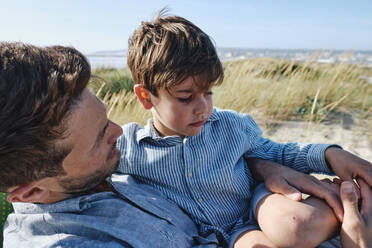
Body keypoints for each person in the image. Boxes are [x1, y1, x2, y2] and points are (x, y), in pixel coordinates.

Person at [0, 42, 348, 248]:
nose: (120, 133)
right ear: (29, 192)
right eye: (98, 139)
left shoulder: (102, 168)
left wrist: (260, 163)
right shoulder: (69, 241)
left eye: (106, 120)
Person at [119, 12, 372, 248]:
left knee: (297, 225)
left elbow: (281, 153)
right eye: (186, 98)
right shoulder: (128, 148)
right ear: (145, 96)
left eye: (208, 92)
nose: (203, 108)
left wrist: (330, 155)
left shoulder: (230, 125)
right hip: (225, 235)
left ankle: (355, 206)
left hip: (255, 206)